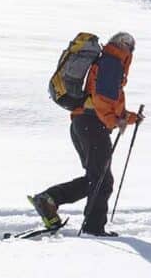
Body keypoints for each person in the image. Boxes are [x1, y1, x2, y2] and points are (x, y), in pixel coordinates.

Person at [29, 32, 144, 237]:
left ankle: (49, 200)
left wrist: (130, 117)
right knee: (102, 180)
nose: (131, 52)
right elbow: (102, 100)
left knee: (96, 177)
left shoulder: (107, 61)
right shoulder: (112, 62)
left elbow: (106, 101)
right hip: (93, 126)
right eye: (131, 48)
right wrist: (115, 121)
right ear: (125, 46)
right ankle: (93, 227)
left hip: (82, 124)